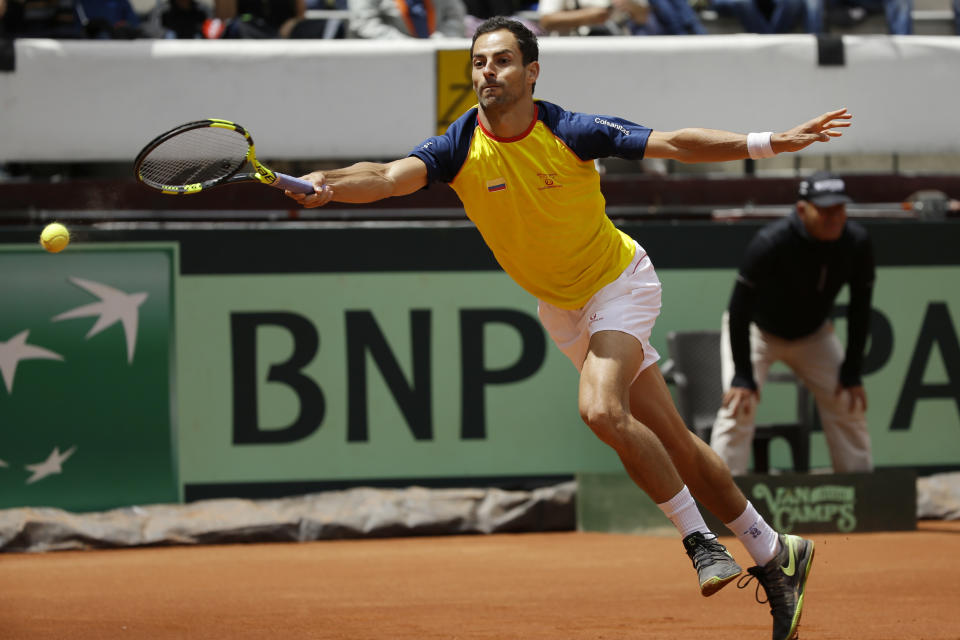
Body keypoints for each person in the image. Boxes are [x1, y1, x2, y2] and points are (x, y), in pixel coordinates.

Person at [286, 17, 847, 640]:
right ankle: (774, 551)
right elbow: (388, 177)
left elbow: (677, 143)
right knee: (676, 441)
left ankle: (700, 541)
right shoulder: (456, 146)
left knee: (601, 412)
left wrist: (767, 143)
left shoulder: (570, 130)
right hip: (561, 307)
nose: (486, 73)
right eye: (478, 63)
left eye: (500, 61)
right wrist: (329, 185)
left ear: (531, 72)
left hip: (619, 284)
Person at [710, 171, 875, 477]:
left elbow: (860, 309)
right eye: (824, 210)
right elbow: (739, 309)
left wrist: (851, 371)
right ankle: (721, 500)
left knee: (848, 400)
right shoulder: (771, 242)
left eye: (839, 209)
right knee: (738, 405)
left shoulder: (857, 243)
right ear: (802, 209)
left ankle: (861, 494)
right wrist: (743, 376)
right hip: (758, 331)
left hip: (814, 334)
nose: (834, 217)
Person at [346, 0, 466, 38]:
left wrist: (441, 40)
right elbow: (364, 22)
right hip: (382, 62)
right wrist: (405, 45)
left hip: (434, 61)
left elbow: (455, 16)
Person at [537, 0, 652, 36]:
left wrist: (628, 4)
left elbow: (643, 16)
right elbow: (546, 20)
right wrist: (588, 16)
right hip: (576, 55)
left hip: (618, 51)